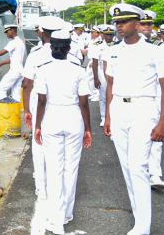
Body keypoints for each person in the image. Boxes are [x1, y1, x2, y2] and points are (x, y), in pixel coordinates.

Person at [104, 3, 164, 235]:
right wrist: (108, 117)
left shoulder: (155, 51)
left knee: (137, 166)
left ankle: (143, 226)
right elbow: (110, 85)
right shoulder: (114, 50)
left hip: (144, 108)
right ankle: (139, 217)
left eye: (123, 22)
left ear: (137, 23)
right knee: (126, 168)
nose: (119, 26)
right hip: (119, 108)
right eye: (116, 23)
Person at [34, 28, 92, 235]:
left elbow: (41, 100)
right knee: (71, 168)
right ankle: (66, 214)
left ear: (51, 48)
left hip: (52, 117)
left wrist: (38, 126)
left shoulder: (43, 69)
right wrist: (88, 129)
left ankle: (56, 218)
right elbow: (84, 103)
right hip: (74, 117)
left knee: (54, 169)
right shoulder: (79, 70)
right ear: (69, 48)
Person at [21, 15, 65, 199]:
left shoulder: (36, 54)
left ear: (41, 32)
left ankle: (41, 187)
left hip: (38, 102)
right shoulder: (68, 53)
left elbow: (26, 83)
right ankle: (58, 186)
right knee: (59, 146)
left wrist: (26, 110)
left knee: (38, 144)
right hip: (61, 104)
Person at [137, 10, 164, 190]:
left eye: (149, 24)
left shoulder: (159, 47)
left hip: (155, 96)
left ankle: (155, 173)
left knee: (155, 134)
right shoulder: (123, 46)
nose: (147, 28)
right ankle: (140, 171)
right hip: (134, 99)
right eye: (144, 24)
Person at [91, 24, 115, 127]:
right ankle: (103, 117)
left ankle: (113, 116)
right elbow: (95, 62)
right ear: (103, 35)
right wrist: (96, 78)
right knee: (103, 96)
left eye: (111, 34)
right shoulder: (98, 45)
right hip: (101, 70)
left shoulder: (117, 44)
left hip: (114, 71)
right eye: (107, 35)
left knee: (114, 95)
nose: (109, 37)